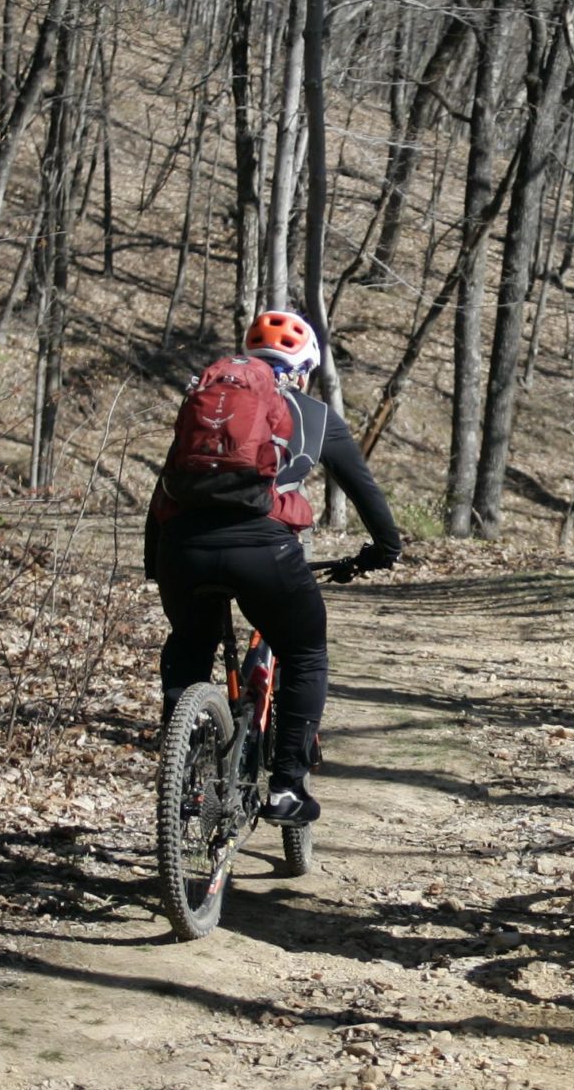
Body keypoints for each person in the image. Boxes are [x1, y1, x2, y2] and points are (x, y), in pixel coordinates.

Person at [144, 309, 403, 825]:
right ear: (303, 369)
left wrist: (156, 562)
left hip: (183, 548)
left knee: (189, 647)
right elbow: (364, 491)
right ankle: (286, 787)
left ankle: (185, 779)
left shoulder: (210, 410)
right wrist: (385, 548)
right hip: (265, 551)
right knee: (305, 652)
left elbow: (166, 489)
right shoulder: (315, 416)